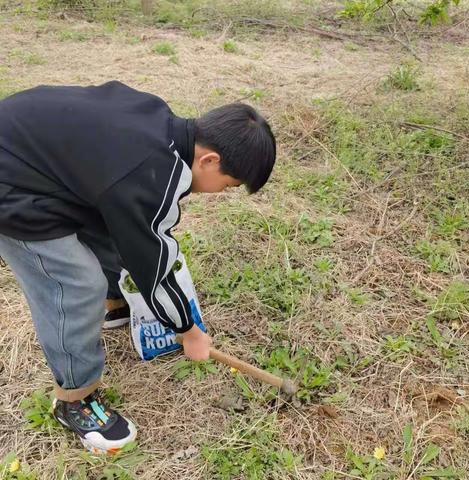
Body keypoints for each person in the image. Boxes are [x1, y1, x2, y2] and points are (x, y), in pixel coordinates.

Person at [0, 81, 276, 454]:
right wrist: (189, 330)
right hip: (13, 184)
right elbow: (152, 262)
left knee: (110, 225)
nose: (220, 193)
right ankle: (74, 400)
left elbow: (126, 232)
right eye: (227, 185)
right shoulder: (151, 173)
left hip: (33, 158)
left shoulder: (159, 122)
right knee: (76, 285)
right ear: (209, 160)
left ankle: (115, 303)